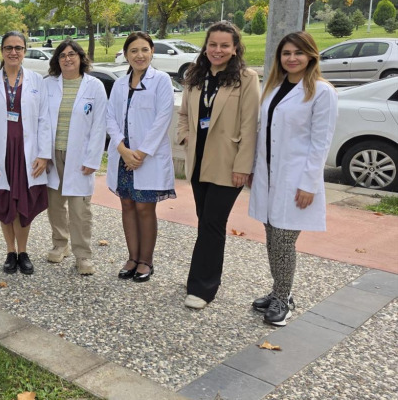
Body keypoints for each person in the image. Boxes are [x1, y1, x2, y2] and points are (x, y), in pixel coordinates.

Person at [248, 31, 337, 326]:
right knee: (273, 239)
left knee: (284, 242)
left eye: (298, 53)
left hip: (296, 179)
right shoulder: (274, 87)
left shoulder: (321, 92)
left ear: (311, 55)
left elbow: (320, 142)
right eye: (286, 53)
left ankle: (284, 299)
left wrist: (309, 183)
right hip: (270, 176)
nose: (292, 58)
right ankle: (277, 291)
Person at [177, 21, 260, 310]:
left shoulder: (246, 78)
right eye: (213, 44)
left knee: (213, 223)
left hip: (228, 163)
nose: (218, 50)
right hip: (199, 161)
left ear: (235, 48)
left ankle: (202, 287)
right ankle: (204, 272)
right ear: (206, 46)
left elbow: (250, 126)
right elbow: (185, 114)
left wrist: (243, 166)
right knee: (206, 221)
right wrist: (185, 137)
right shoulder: (195, 75)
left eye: (225, 45)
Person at [0, 32, 51, 275]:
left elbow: (44, 120)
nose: (13, 52)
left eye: (18, 48)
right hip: (0, 153)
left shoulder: (37, 81)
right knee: (5, 202)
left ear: (25, 51)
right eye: (8, 47)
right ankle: (10, 251)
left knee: (23, 203)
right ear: (1, 51)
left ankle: (23, 252)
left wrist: (43, 154)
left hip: (27, 153)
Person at [106, 32, 175, 282]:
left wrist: (141, 153)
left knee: (145, 208)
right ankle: (132, 258)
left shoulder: (161, 81)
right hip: (125, 156)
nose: (139, 55)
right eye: (133, 51)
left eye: (144, 49)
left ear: (152, 51)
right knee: (127, 205)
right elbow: (110, 118)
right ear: (126, 55)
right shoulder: (119, 84)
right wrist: (122, 149)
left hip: (147, 158)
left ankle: (146, 261)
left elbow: (162, 119)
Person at [44, 40, 107, 275]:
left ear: (81, 58)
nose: (67, 59)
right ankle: (60, 245)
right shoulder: (48, 85)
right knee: (55, 205)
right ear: (57, 60)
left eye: (72, 54)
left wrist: (93, 159)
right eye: (62, 55)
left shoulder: (94, 86)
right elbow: (41, 121)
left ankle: (83, 255)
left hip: (80, 155)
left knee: (80, 209)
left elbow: (100, 126)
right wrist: (43, 154)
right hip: (53, 154)